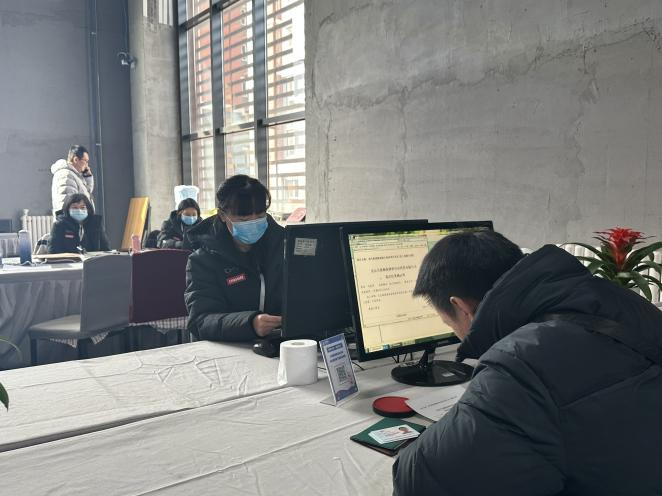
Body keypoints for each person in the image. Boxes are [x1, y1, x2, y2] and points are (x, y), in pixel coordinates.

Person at [392, 231, 662, 495]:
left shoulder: (521, 363)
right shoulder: (617, 300)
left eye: (449, 323)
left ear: (462, 308)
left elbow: (420, 480)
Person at [184, 175, 284, 341]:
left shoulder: (283, 248)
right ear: (223, 215)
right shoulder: (202, 261)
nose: (253, 223)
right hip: (230, 347)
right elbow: (201, 320)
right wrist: (250, 323)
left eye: (260, 216)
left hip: (280, 344)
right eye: (244, 219)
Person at [51, 145, 95, 214]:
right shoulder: (66, 175)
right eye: (85, 161)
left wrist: (88, 177)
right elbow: (67, 203)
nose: (87, 165)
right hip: (71, 220)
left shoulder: (74, 175)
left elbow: (87, 194)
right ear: (76, 160)